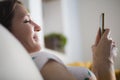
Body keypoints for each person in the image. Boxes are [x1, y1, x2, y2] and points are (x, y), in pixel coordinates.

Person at [0, 0, 117, 80]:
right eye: (26, 21)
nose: (38, 27)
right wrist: (105, 62)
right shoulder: (39, 59)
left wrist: (97, 59)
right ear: (7, 33)